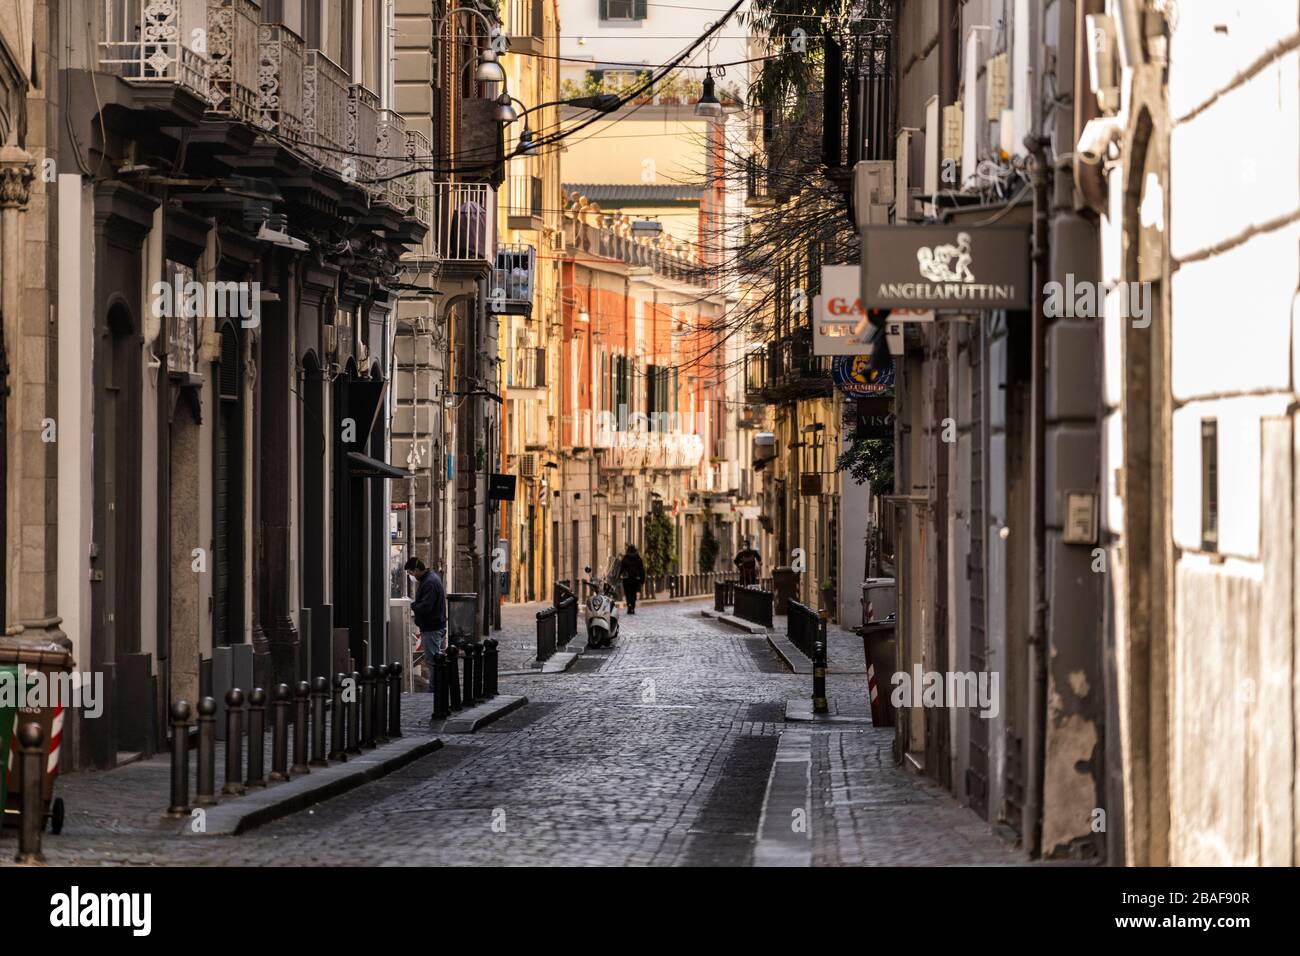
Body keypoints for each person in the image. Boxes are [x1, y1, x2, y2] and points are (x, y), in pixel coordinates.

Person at [405, 557, 446, 692]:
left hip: (432, 627)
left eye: (411, 573)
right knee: (434, 659)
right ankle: (437, 687)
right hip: (433, 626)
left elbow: (426, 606)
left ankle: (435, 689)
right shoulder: (430, 579)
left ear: (417, 570)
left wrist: (413, 605)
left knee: (433, 660)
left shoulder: (429, 583)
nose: (411, 576)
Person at [620, 544, 645, 615]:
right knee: (633, 593)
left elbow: (621, 568)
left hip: (627, 579)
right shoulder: (638, 558)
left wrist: (620, 574)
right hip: (635, 579)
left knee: (628, 593)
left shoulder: (625, 558)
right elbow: (641, 570)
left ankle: (629, 606)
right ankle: (632, 607)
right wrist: (642, 579)